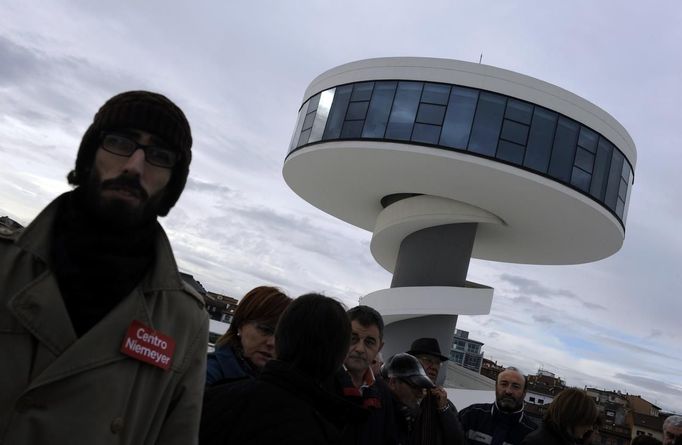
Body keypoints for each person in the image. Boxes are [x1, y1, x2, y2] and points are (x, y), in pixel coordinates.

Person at [0, 91, 208, 444]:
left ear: (172, 182)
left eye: (159, 155)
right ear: (89, 155)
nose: (134, 166)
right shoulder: (5, 268)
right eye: (119, 142)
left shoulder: (184, 321)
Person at [200, 293, 364, 444]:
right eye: (265, 329)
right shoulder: (203, 381)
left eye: (275, 331)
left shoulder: (214, 400)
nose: (270, 342)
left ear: (281, 338)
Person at [325, 305, 398, 444]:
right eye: (353, 338)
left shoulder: (384, 394)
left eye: (369, 342)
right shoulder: (320, 380)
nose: (360, 349)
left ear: (379, 348)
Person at [205, 286, 291, 385]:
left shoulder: (280, 384)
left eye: (281, 336)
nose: (272, 343)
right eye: (265, 329)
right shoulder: (207, 375)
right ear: (240, 324)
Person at [407, 338, 465, 444]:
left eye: (438, 363)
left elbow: (457, 441)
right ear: (412, 361)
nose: (434, 367)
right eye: (428, 360)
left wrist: (444, 409)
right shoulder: (398, 393)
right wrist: (417, 402)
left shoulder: (443, 403)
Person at [459, 367, 537, 445]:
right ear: (496, 387)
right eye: (504, 384)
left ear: (524, 392)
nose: (508, 391)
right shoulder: (471, 414)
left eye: (515, 386)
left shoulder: (532, 434)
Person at [383, 353, 436, 444]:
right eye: (415, 387)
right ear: (393, 382)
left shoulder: (406, 417)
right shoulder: (376, 417)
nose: (420, 394)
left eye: (422, 388)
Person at [520, 388, 597, 445]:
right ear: (574, 418)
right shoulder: (536, 442)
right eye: (588, 422)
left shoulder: (566, 440)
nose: (590, 428)